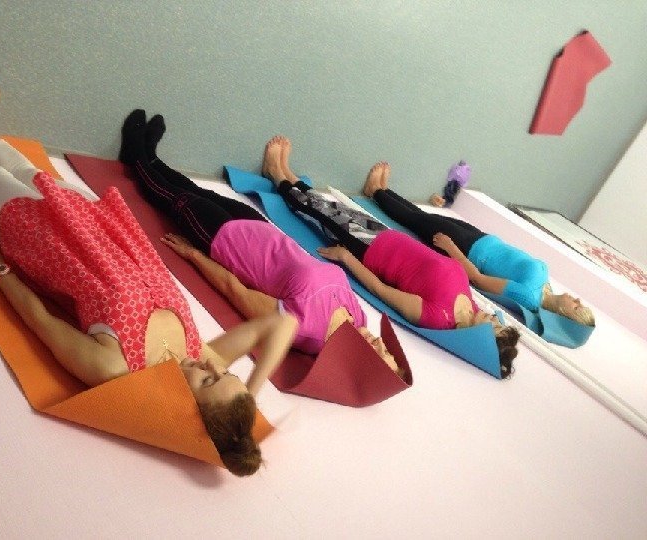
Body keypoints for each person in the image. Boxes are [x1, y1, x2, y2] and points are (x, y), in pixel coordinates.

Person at [0, 70, 298, 476]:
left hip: (48, 245)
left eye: (207, 382)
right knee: (33, 172)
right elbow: (281, 324)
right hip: (106, 230)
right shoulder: (198, 355)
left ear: (186, 408)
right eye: (224, 373)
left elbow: (42, 321)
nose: (211, 367)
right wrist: (249, 392)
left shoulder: (115, 366)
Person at [118, 110, 402, 376]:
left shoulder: (303, 330)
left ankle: (136, 157)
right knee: (195, 189)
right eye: (388, 350)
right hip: (260, 230)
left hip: (226, 242)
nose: (380, 343)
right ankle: (152, 157)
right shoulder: (359, 318)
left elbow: (236, 291)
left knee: (170, 195)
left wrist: (194, 254)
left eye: (378, 355)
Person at [261, 136, 520, 377]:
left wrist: (347, 257)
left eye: (494, 326)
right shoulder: (473, 307)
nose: (493, 318)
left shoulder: (437, 316)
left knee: (316, 212)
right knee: (332, 207)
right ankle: (290, 177)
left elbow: (381, 289)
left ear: (480, 338)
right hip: (390, 238)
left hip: (369, 250)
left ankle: (275, 173)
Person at [361, 162, 595, 327]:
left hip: (468, 249)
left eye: (576, 307)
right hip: (484, 240)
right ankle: (384, 191)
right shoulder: (546, 289)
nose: (576, 300)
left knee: (416, 221)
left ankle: (375, 192)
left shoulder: (529, 297)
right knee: (425, 217)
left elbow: (480, 280)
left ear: (563, 314)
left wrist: (451, 248)